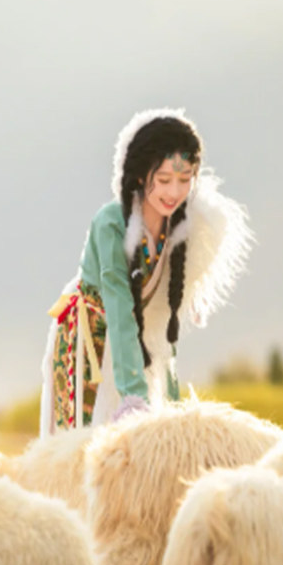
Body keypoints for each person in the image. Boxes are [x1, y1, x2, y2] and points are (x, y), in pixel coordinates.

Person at [39, 107, 253, 435]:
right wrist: (134, 400)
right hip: (90, 340)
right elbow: (120, 309)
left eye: (185, 180)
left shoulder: (180, 224)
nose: (174, 193)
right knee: (79, 448)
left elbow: (166, 312)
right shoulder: (111, 223)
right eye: (164, 180)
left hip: (144, 335)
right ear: (140, 175)